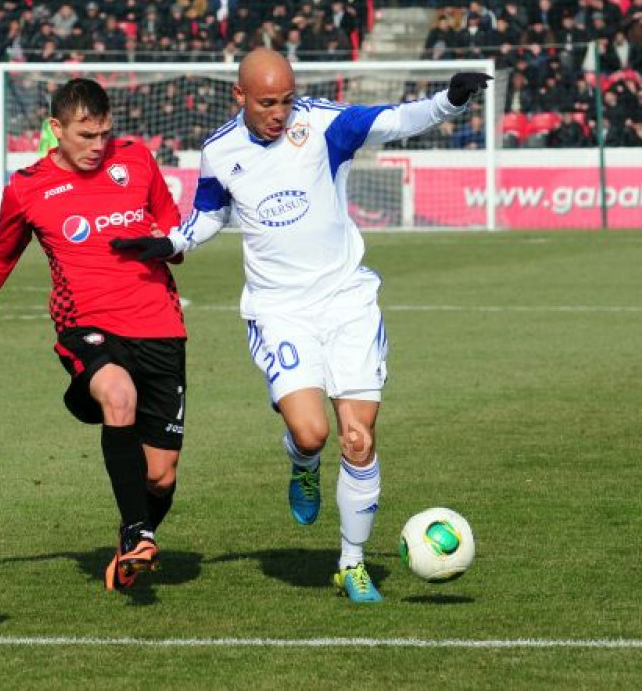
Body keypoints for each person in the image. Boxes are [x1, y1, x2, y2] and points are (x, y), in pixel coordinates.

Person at [112, 49, 488, 602]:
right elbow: (210, 213)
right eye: (267, 102)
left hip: (346, 300)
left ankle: (352, 564)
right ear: (240, 96)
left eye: (287, 100)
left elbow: (392, 120)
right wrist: (169, 243)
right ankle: (303, 462)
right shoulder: (220, 150)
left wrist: (448, 101)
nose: (280, 113)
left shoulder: (322, 124)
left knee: (358, 439)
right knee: (312, 433)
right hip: (279, 310)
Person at [0, 78, 187, 592]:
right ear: (56, 128)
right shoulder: (28, 186)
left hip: (159, 325)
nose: (98, 146)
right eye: (85, 135)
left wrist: (164, 241)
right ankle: (139, 531)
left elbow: (175, 232)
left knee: (160, 477)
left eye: (104, 134)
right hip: (88, 325)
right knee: (117, 393)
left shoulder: (137, 160)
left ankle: (130, 542)